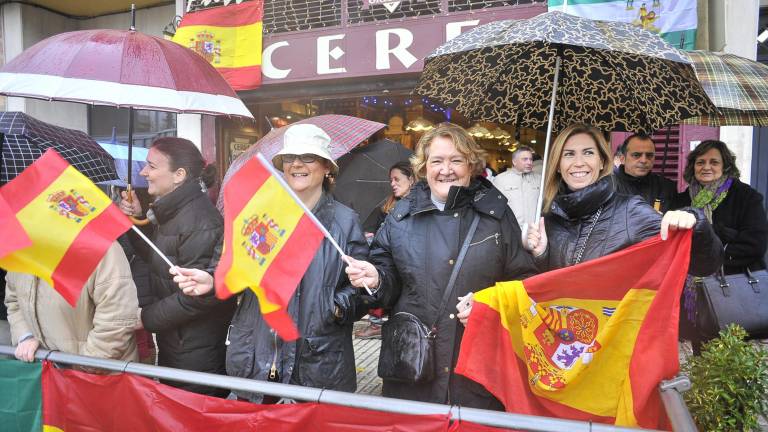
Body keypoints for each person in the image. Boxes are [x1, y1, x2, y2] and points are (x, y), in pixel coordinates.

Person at [345, 122, 538, 409]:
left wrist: (490, 305)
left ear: (471, 165)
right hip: (414, 369)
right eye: (437, 161)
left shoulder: (496, 215)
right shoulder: (402, 214)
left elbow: (524, 282)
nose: (446, 169)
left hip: (477, 371)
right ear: (424, 167)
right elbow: (387, 277)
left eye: (456, 160)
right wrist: (376, 279)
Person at [173, 124, 369, 402]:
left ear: (327, 167)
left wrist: (334, 307)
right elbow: (233, 266)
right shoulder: (259, 213)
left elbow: (364, 290)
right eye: (289, 158)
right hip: (256, 357)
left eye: (308, 157)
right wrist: (211, 280)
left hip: (316, 363)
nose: (297, 164)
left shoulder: (345, 221)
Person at [522, 124, 721, 275]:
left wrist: (695, 223)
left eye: (588, 153)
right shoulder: (551, 215)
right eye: (569, 154)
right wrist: (541, 255)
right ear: (558, 165)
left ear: (602, 161)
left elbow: (703, 265)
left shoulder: (630, 210)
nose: (579, 162)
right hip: (565, 327)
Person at [119, 137, 235, 397]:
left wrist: (144, 317)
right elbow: (159, 257)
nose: (143, 172)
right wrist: (139, 219)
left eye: (151, 166)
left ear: (179, 175)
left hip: (196, 351)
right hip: (178, 341)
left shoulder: (200, 221)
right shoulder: (173, 212)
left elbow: (197, 297)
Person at [6, 242, 138, 363]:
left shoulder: (102, 248)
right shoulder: (20, 246)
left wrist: (85, 362)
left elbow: (117, 319)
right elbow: (14, 299)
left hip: (99, 376)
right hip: (51, 373)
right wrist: (26, 335)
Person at [675, 140, 767, 274]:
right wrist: (730, 236)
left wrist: (712, 256)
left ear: (725, 166)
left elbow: (756, 245)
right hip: (692, 278)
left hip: (734, 281)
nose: (706, 167)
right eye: (700, 162)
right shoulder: (682, 200)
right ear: (693, 166)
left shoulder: (746, 197)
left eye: (714, 162)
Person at [357, 161, 416, 340]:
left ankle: (377, 322)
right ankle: (377, 322)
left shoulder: (417, 208)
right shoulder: (391, 204)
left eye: (397, 179)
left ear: (412, 179)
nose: (393, 184)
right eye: (391, 180)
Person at [613, 133, 678, 212]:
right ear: (622, 159)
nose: (644, 160)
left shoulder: (666, 187)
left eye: (649, 155)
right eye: (636, 155)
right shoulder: (609, 186)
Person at [492, 145, 542, 229]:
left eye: (531, 159)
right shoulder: (500, 180)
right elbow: (495, 207)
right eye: (525, 159)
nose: (529, 162)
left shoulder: (539, 179)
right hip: (511, 231)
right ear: (514, 162)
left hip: (534, 231)